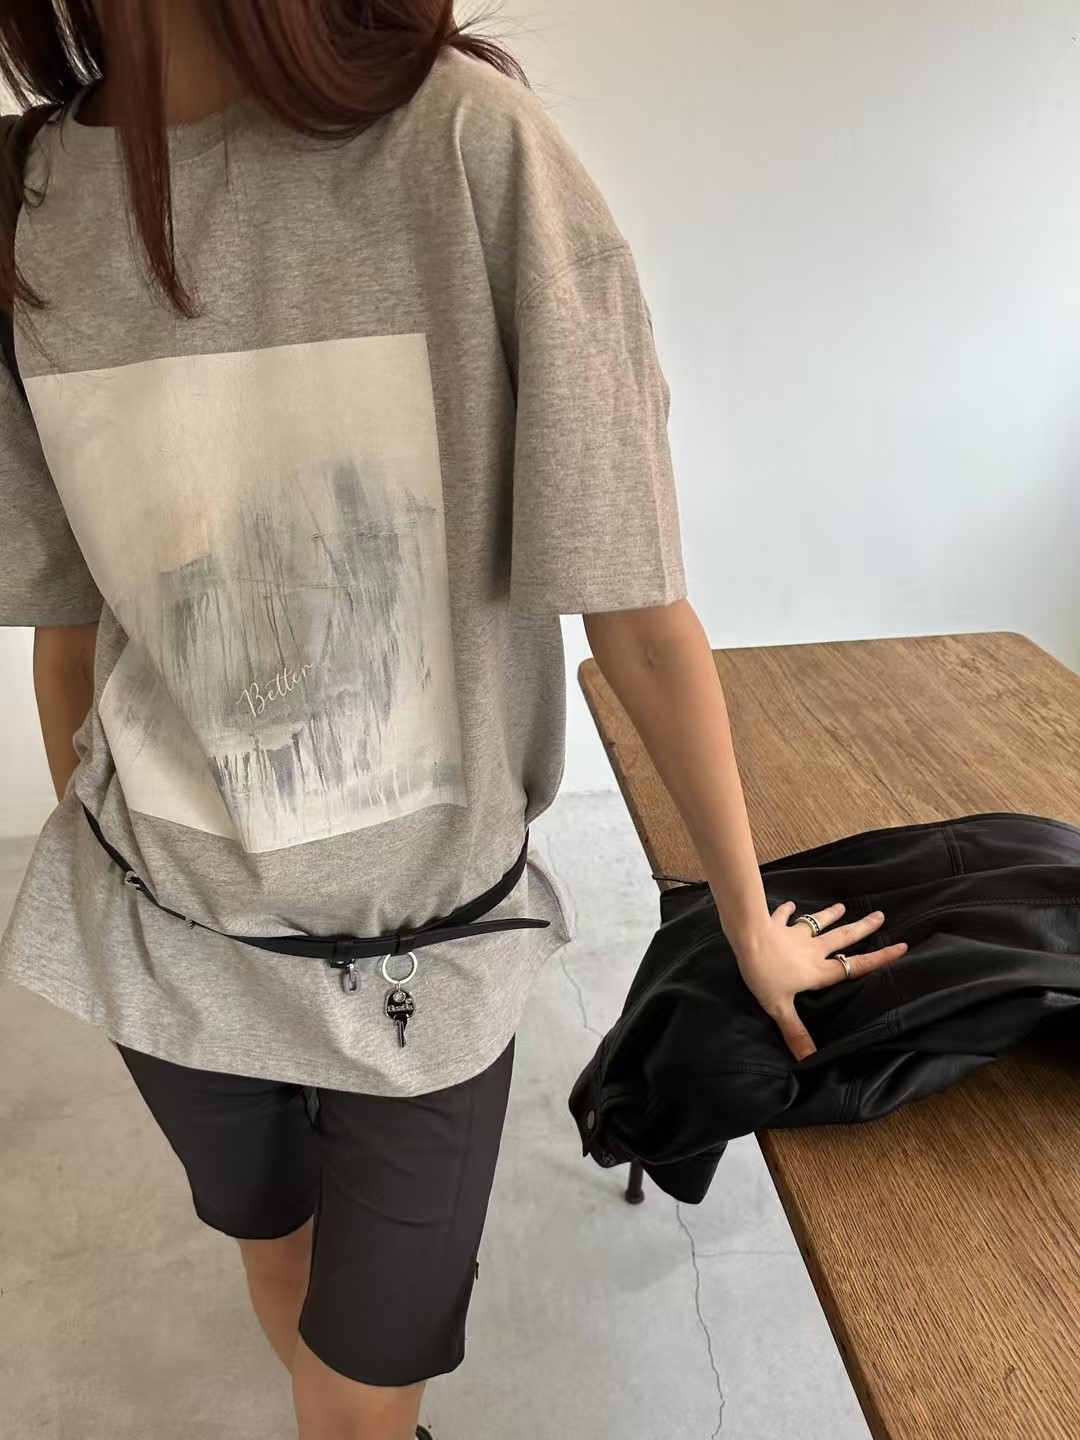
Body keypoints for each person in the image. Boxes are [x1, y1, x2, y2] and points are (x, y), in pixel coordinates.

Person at [0, 4, 908, 1438]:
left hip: (429, 954)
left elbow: (635, 610)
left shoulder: (468, 147)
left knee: (370, 1379)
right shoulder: (25, 200)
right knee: (275, 1245)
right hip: (163, 936)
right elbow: (72, 626)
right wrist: (99, 877)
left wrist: (743, 917)